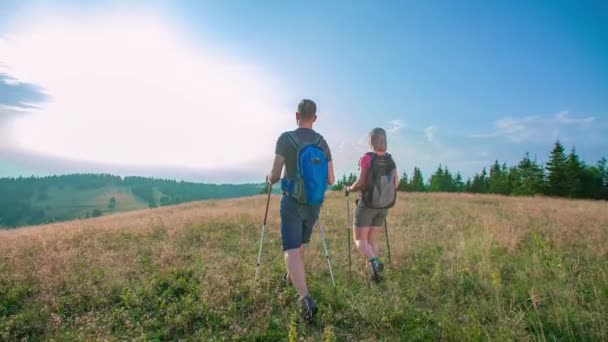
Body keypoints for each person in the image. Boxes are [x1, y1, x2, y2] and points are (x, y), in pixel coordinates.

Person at [267, 99, 335, 321]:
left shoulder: (286, 139)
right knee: (301, 245)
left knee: (291, 248)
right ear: (314, 118)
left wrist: (270, 178)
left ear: (297, 116)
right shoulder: (322, 143)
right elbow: (331, 179)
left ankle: (305, 298)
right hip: (314, 203)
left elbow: (275, 175)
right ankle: (290, 277)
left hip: (292, 201)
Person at [345, 127, 398, 281]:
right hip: (384, 206)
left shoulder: (367, 158)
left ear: (371, 141)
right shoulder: (390, 159)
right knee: (372, 240)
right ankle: (374, 274)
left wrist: (350, 188)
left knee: (360, 240)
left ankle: (373, 262)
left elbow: (361, 182)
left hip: (367, 204)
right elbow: (396, 184)